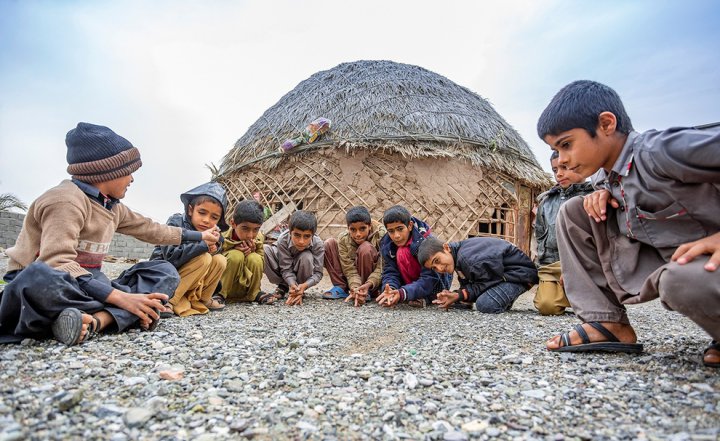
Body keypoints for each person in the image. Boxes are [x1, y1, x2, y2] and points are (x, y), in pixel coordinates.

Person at [537, 80, 719, 368]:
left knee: (679, 281)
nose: (563, 160)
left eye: (567, 145)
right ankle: (606, 323)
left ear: (606, 124)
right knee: (575, 211)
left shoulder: (661, 151)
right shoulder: (604, 178)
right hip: (673, 258)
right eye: (556, 151)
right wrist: (604, 192)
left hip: (702, 268)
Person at [0, 122, 218, 346]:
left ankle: (94, 321)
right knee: (38, 277)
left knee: (164, 272)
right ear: (109, 171)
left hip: (89, 285)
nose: (132, 179)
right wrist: (121, 298)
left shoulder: (113, 207)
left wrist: (201, 237)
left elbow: (153, 230)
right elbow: (57, 262)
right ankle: (119, 313)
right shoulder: (65, 200)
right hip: (50, 285)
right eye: (129, 172)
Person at [149, 182, 227, 316]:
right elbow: (171, 256)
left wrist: (215, 246)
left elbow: (217, 248)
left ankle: (204, 299)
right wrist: (203, 245)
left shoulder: (214, 233)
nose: (207, 220)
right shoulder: (176, 222)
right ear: (190, 210)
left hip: (191, 278)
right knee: (204, 257)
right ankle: (169, 301)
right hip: (167, 274)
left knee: (220, 260)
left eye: (214, 217)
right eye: (202, 213)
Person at [533, 151, 593, 315]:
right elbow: (539, 234)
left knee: (592, 309)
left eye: (565, 167)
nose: (559, 174)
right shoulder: (546, 201)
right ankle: (570, 295)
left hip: (585, 265)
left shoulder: (595, 196)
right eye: (554, 170)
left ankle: (581, 295)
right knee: (547, 306)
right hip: (553, 265)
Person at [418, 236, 538, 312]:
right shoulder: (458, 258)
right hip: (502, 276)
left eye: (437, 260)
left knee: (485, 304)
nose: (439, 268)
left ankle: (505, 300)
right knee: (460, 301)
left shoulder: (468, 260)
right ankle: (504, 299)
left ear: (446, 248)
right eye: (434, 268)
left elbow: (486, 284)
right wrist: (456, 295)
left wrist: (459, 295)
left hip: (520, 275)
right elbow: (472, 284)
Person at [376, 205, 451, 308]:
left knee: (403, 252)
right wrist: (391, 289)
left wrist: (403, 293)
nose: (396, 235)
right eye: (391, 231)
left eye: (400, 229)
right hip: (407, 287)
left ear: (410, 226)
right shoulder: (387, 244)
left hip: (435, 287)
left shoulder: (426, 243)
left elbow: (430, 277)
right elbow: (390, 270)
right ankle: (406, 294)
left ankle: (426, 298)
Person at [323, 205, 386, 306]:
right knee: (329, 244)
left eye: (362, 229)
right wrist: (355, 287)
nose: (358, 234)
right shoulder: (344, 239)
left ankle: (368, 290)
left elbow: (381, 267)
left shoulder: (381, 235)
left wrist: (368, 284)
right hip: (352, 280)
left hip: (371, 282)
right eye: (353, 230)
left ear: (369, 226)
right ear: (348, 228)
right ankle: (341, 287)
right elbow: (349, 269)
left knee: (366, 248)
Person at [218, 199, 278, 304]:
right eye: (245, 228)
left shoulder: (259, 238)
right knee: (235, 256)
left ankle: (254, 293)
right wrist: (230, 249)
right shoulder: (221, 236)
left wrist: (254, 251)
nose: (250, 235)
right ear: (233, 224)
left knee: (255, 258)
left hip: (245, 288)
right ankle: (220, 294)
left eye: (256, 229)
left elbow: (262, 263)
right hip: (225, 286)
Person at [263, 210, 324, 306]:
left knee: (306, 256)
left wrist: (304, 286)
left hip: (302, 277)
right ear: (290, 232)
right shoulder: (282, 239)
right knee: (264, 250)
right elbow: (285, 268)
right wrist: (292, 284)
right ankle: (284, 286)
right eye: (297, 235)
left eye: (307, 236)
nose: (301, 241)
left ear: (313, 235)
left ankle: (299, 289)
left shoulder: (318, 244)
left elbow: (318, 273)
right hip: (284, 273)